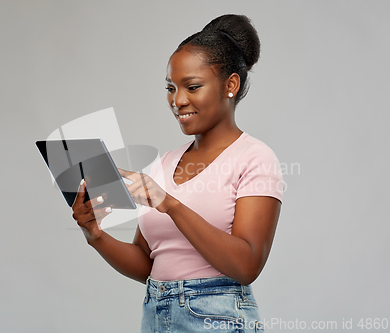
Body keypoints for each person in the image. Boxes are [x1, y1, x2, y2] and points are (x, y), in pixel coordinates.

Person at [72, 14, 284, 333]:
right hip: (157, 315)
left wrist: (170, 205)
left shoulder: (255, 158)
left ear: (231, 85)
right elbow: (148, 262)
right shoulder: (165, 164)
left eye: (192, 87)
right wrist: (95, 235)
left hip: (217, 318)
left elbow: (247, 264)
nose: (177, 100)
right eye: (171, 88)